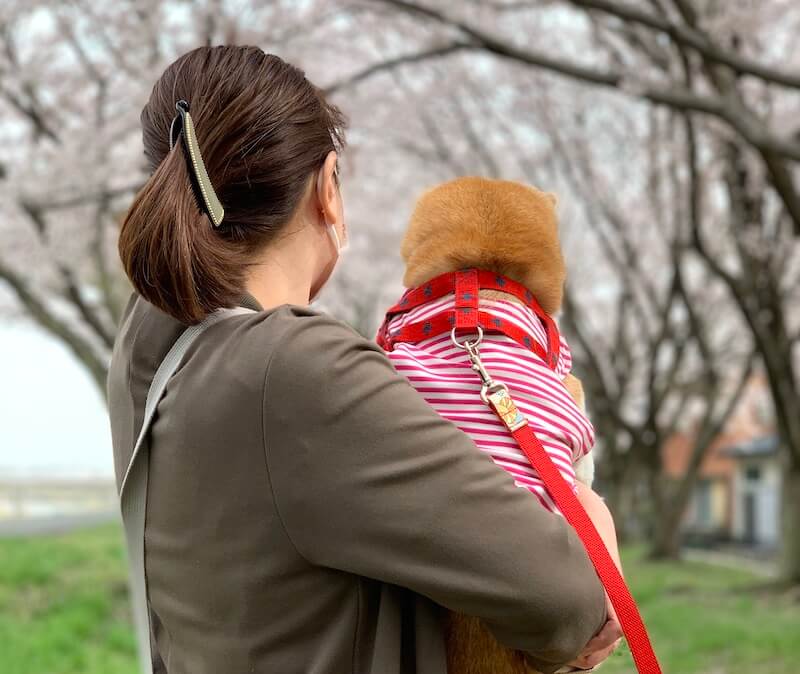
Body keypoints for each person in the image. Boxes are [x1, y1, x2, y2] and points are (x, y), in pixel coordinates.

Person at [108, 45, 620, 674]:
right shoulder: (296, 369)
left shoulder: (152, 345)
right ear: (327, 189)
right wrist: (597, 525)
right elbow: (566, 599)